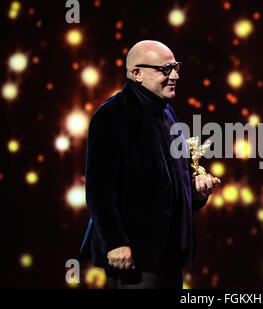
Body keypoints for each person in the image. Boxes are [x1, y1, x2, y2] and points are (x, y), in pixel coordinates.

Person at [77, 40, 220, 289]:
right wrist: (115, 242)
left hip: (167, 257)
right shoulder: (112, 114)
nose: (175, 75)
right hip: (134, 258)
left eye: (175, 67)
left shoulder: (166, 113)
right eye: (166, 69)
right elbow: (99, 190)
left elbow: (173, 179)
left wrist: (195, 192)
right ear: (137, 74)